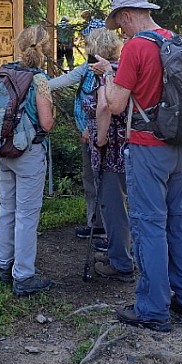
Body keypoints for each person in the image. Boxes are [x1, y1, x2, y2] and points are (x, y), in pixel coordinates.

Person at [101, 0, 182, 332]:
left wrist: (107, 78)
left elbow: (116, 105)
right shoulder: (173, 41)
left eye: (120, 25)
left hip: (147, 148)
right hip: (181, 147)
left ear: (128, 16)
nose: (120, 32)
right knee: (180, 223)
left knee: (149, 226)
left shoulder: (136, 47)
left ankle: (153, 308)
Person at [0, 25, 56, 297]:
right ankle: (23, 275)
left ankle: (3, 264)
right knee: (27, 215)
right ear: (44, 49)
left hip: (2, 150)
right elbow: (46, 123)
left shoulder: (5, 71)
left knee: (6, 208)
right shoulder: (39, 79)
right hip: (28, 153)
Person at [81, 29, 134, 283]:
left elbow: (104, 106)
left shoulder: (104, 74)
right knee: (127, 205)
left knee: (113, 209)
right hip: (127, 146)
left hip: (109, 150)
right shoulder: (121, 68)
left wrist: (100, 139)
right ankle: (126, 254)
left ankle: (120, 263)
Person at [47, 43, 113, 246]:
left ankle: (110, 232)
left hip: (102, 137)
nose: (86, 50)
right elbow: (65, 80)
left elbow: (106, 105)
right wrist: (38, 80)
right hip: (89, 136)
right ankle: (95, 223)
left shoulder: (111, 71)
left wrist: (91, 128)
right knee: (90, 179)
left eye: (89, 46)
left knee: (106, 182)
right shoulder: (87, 68)